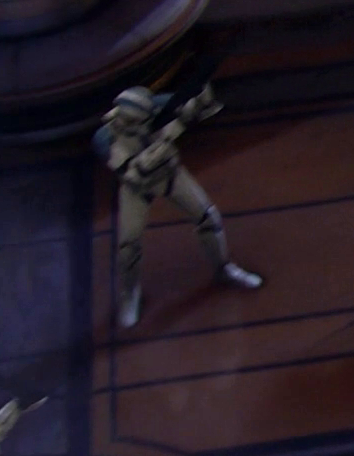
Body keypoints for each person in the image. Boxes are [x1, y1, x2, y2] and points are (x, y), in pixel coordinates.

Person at [97, 84, 262, 329]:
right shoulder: (106, 137)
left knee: (208, 218)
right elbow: (135, 171)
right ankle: (130, 293)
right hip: (137, 188)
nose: (125, 123)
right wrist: (168, 136)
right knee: (128, 246)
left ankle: (223, 267)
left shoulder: (161, 108)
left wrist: (197, 101)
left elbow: (200, 105)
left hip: (171, 175)